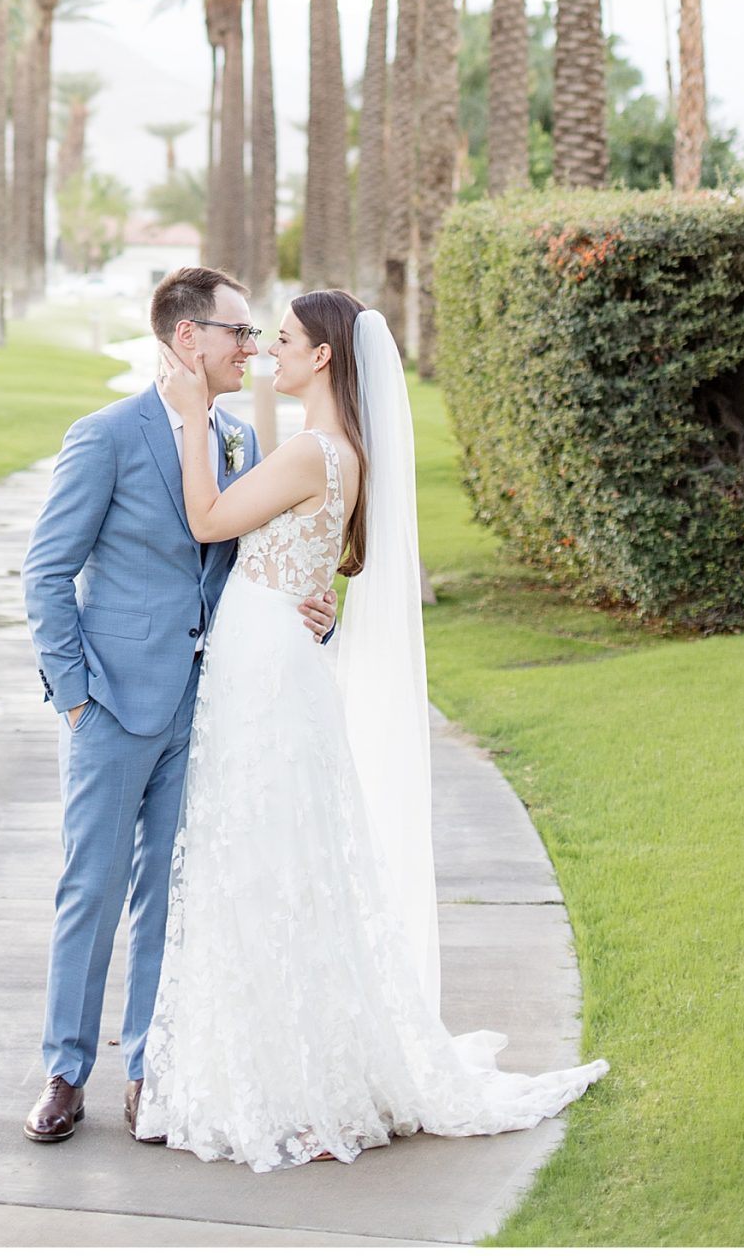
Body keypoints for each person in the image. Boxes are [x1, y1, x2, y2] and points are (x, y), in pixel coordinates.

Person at [135, 287, 609, 1168]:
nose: (268, 352)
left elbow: (208, 519)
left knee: (267, 862)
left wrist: (193, 416)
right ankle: (281, 1066)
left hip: (266, 666)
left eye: (282, 342)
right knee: (281, 860)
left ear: (322, 358)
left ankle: (295, 1083)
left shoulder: (314, 452)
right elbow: (308, 554)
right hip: (280, 649)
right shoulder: (340, 449)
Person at [20, 266, 337, 1145]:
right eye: (238, 332)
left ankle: (150, 1070)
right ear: (186, 338)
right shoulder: (105, 437)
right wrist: (77, 698)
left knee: (170, 891)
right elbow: (46, 572)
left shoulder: (236, 440)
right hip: (115, 708)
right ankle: (64, 1070)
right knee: (92, 888)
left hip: (211, 707)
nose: (252, 348)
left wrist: (311, 603)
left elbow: (257, 562)